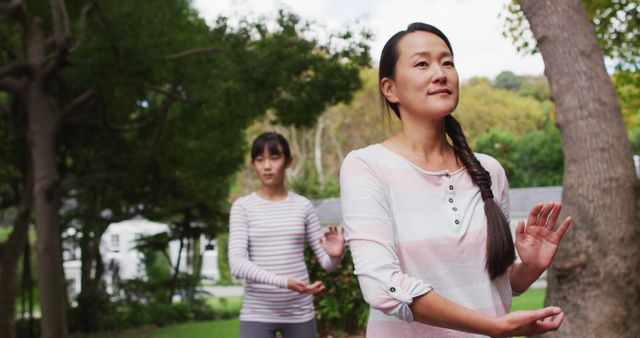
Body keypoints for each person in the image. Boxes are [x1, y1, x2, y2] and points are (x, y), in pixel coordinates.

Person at [339, 23, 572, 337]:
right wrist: (493, 327)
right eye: (422, 63)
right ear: (390, 89)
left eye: (447, 62)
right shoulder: (367, 166)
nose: (440, 73)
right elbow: (383, 285)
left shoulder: (489, 171)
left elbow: (498, 284)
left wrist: (530, 268)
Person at [229, 131, 344, 338]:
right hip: (257, 313)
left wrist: (335, 256)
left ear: (288, 161)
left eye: (274, 158)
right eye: (260, 159)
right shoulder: (242, 207)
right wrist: (285, 282)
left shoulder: (303, 206)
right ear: (252, 164)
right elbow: (237, 264)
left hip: (299, 313)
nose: (267, 166)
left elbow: (327, 265)